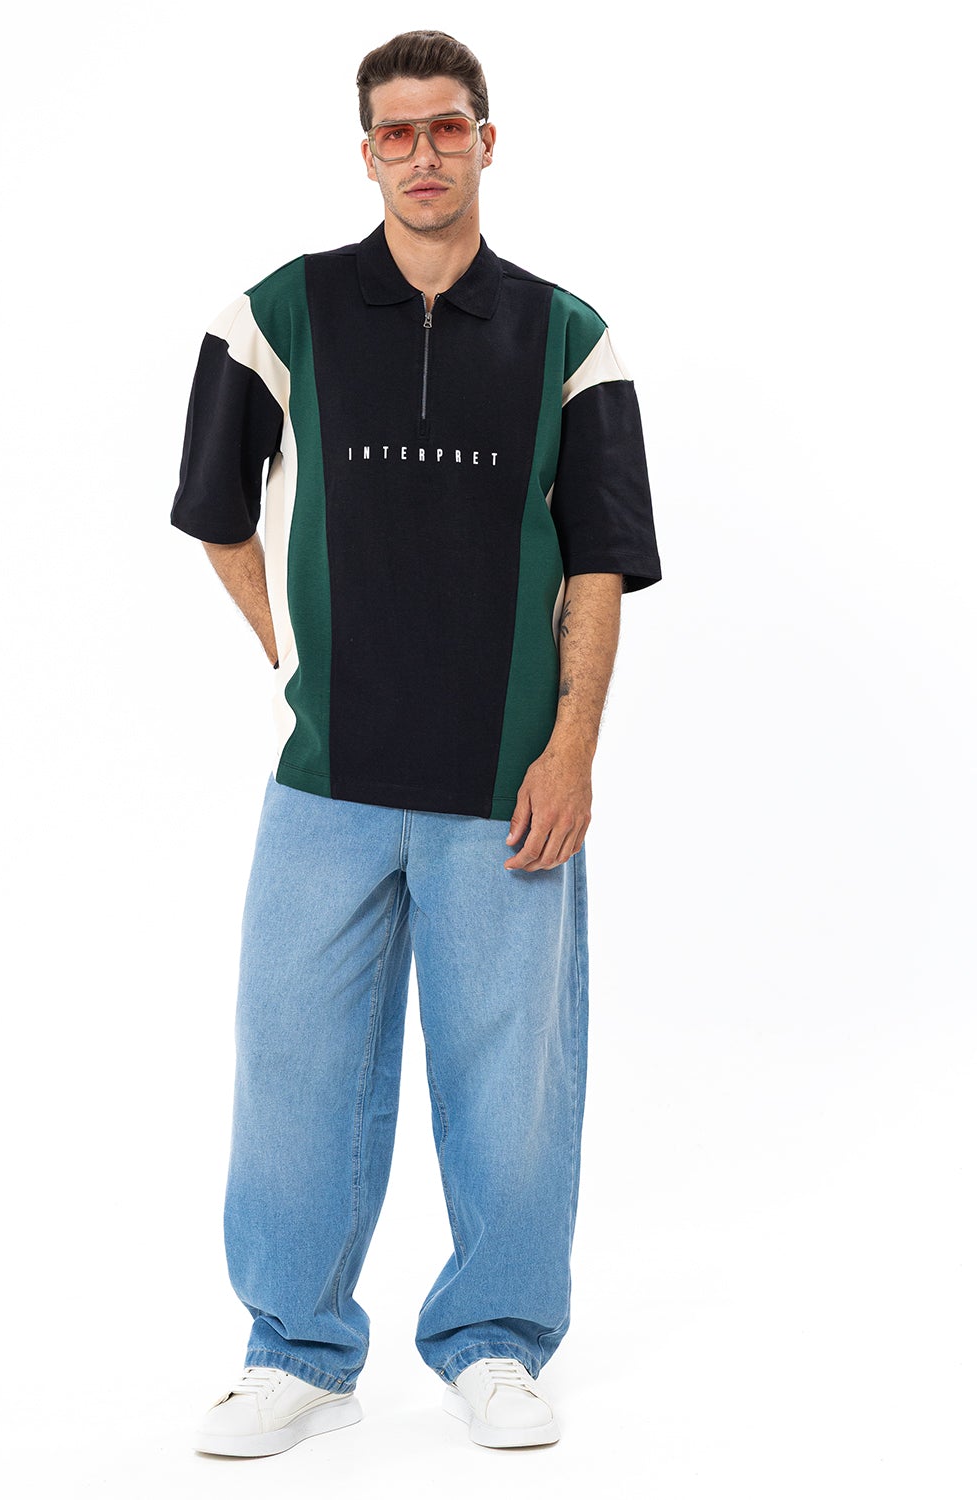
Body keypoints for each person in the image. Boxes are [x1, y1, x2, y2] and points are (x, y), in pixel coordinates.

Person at [170, 29, 662, 1457]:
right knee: (292, 1072)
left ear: (486, 141)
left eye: (447, 128)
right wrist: (293, 663)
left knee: (513, 1089)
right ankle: (294, 1352)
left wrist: (570, 750)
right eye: (397, 132)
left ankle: (497, 1341)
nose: (424, 154)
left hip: (507, 784)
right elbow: (216, 513)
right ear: (367, 151)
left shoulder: (570, 336)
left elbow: (600, 564)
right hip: (326, 780)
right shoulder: (282, 313)